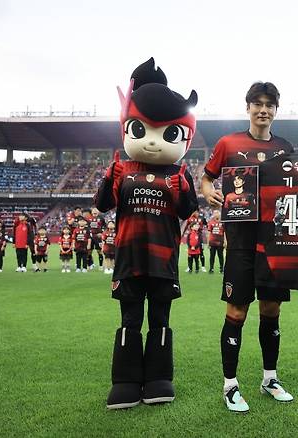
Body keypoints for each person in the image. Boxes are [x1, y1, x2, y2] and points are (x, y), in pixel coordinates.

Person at [95, 57, 199, 409]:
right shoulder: (121, 169)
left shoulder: (178, 173)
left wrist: (183, 189)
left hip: (163, 261)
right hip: (129, 259)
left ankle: (158, 378)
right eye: (141, 130)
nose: (153, 143)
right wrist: (108, 178)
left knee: (160, 318)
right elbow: (102, 205)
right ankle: (125, 381)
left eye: (167, 134)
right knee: (130, 318)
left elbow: (188, 210)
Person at [201, 81, 294, 413]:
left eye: (269, 105)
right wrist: (209, 191)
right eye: (258, 104)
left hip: (275, 242)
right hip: (240, 243)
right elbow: (207, 177)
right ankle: (230, 385)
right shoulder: (228, 143)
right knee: (236, 312)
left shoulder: (285, 147)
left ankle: (270, 379)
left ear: (276, 110)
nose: (263, 110)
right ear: (248, 108)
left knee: (271, 310)